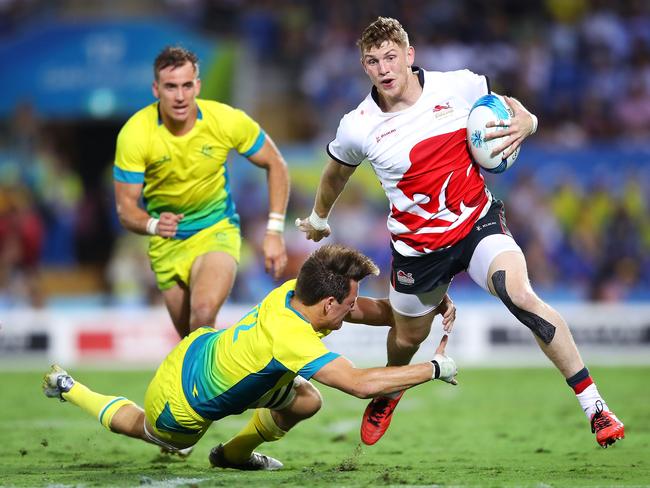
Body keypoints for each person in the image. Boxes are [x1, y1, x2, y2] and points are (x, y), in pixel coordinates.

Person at [296, 17, 624, 448]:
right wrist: (319, 217)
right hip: (418, 249)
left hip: (477, 223)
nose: (384, 68)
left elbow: (510, 107)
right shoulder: (357, 125)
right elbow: (335, 173)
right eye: (373, 61)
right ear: (364, 67)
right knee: (406, 336)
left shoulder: (461, 85)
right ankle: (392, 389)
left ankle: (595, 406)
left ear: (409, 56)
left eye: (391, 57)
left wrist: (530, 122)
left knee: (519, 294)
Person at [42, 244, 458, 470]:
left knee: (307, 400)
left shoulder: (299, 291)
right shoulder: (293, 337)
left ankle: (234, 455)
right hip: (183, 401)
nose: (354, 307)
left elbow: (373, 311)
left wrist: (426, 303)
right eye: (347, 302)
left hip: (203, 349)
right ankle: (69, 387)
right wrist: (435, 367)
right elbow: (361, 385)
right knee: (157, 436)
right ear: (329, 303)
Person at [113, 46, 290, 338]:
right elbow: (126, 209)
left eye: (186, 85)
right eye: (171, 87)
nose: (180, 96)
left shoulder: (225, 120)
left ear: (198, 85)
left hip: (215, 229)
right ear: (156, 89)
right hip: (167, 242)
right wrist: (153, 224)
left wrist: (274, 230)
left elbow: (276, 164)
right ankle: (252, 379)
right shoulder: (135, 134)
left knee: (204, 311)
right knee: (192, 344)